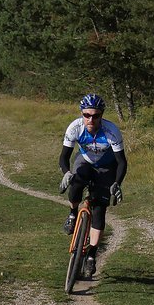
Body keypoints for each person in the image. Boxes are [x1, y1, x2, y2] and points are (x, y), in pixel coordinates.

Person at [58, 93, 126, 276]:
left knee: (99, 209)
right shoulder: (75, 127)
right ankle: (73, 214)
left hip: (106, 166)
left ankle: (91, 255)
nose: (90, 119)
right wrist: (66, 173)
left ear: (101, 115)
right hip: (85, 161)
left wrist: (117, 183)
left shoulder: (111, 131)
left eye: (95, 115)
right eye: (86, 115)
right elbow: (64, 157)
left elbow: (122, 162)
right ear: (82, 114)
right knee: (76, 183)